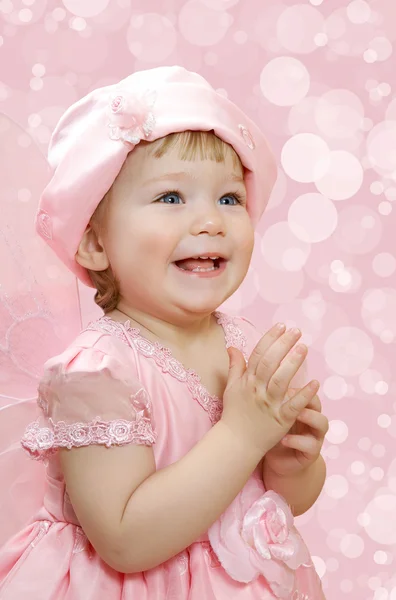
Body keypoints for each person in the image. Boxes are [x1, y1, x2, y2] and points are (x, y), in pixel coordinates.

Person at [0, 66, 329, 599]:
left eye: (229, 199)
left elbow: (283, 499)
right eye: (172, 198)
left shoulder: (243, 345)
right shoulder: (97, 373)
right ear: (95, 245)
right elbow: (125, 540)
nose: (210, 221)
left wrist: (292, 463)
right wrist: (244, 434)